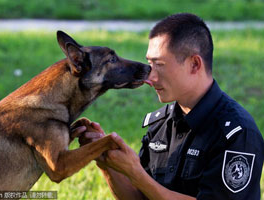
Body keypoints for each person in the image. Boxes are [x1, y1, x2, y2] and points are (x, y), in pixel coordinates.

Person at [73, 13, 264, 200]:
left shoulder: (237, 134)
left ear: (194, 64)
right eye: (149, 64)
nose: (150, 77)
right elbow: (139, 196)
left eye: (159, 65)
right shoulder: (160, 125)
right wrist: (108, 161)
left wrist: (137, 174)